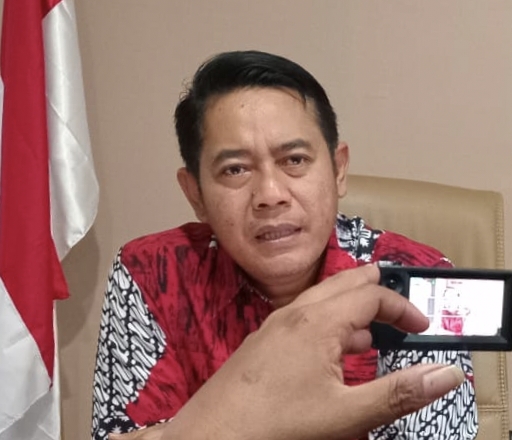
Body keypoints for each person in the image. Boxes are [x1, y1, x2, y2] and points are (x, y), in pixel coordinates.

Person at [91, 50, 477, 440]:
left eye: (294, 160)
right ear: (196, 194)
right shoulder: (152, 273)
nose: (270, 195)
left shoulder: (421, 278)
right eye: (235, 169)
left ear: (338, 169)